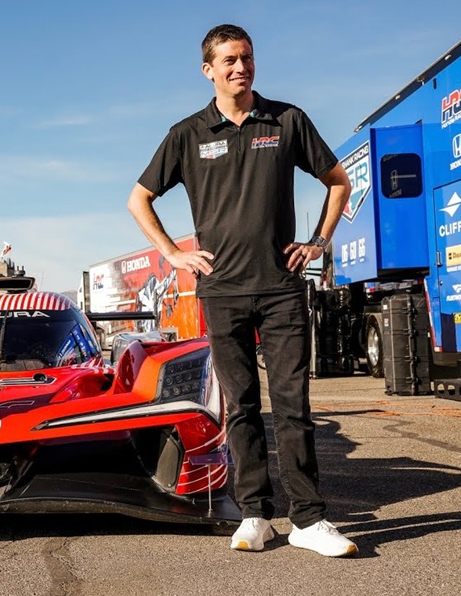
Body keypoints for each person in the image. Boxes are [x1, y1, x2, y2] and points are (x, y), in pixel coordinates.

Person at [127, 25, 356, 557]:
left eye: (247, 58)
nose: (240, 67)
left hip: (280, 289)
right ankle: (255, 514)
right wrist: (173, 253)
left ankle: (309, 520)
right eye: (228, 60)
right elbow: (140, 199)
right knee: (243, 408)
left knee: (293, 406)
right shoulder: (187, 133)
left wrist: (318, 242)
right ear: (208, 69)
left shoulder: (287, 120)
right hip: (222, 291)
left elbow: (338, 180)